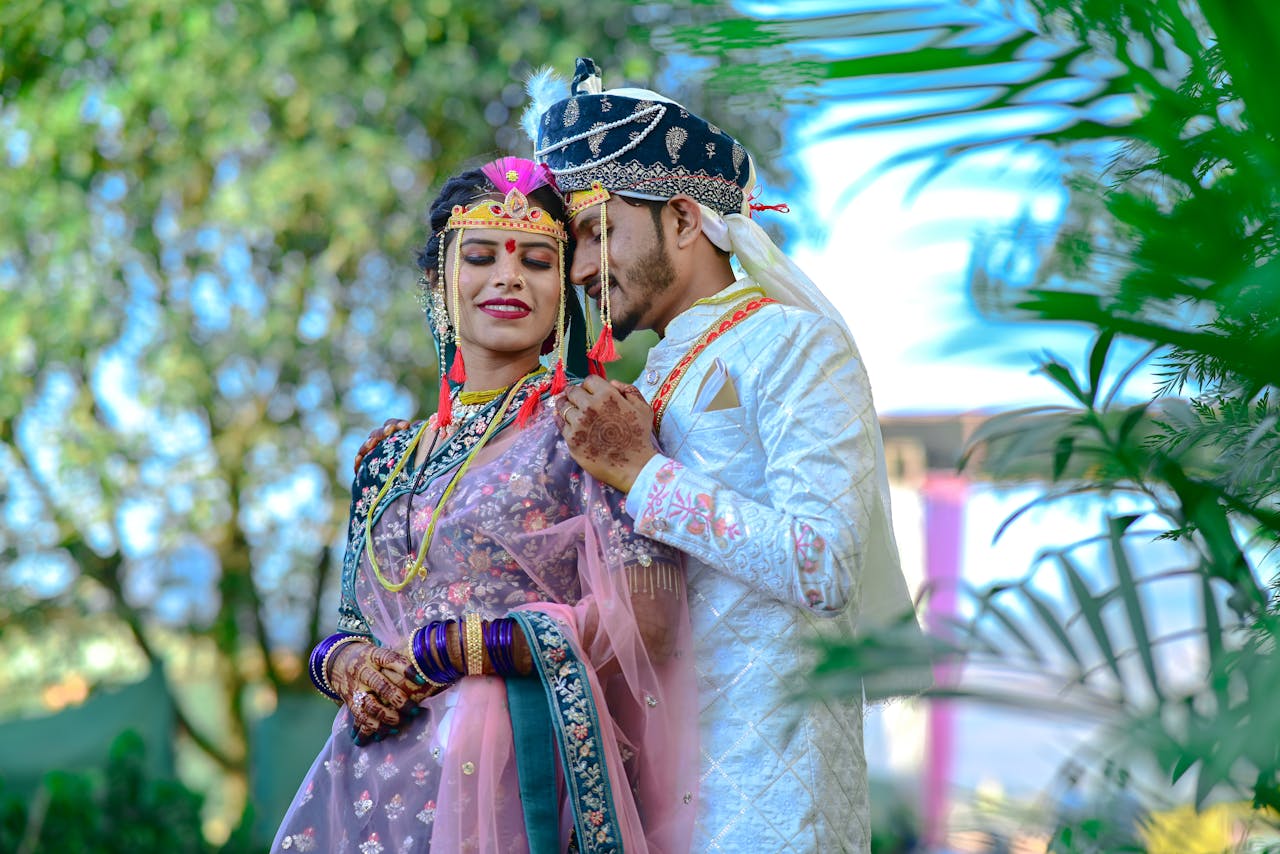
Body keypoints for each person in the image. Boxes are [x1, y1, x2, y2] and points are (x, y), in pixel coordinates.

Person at [530, 59, 922, 852]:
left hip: (774, 811)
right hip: (655, 805)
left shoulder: (794, 344)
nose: (577, 270)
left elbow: (823, 565)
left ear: (682, 219)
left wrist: (643, 474)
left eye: (598, 232)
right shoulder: (658, 377)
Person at [274, 157, 698, 854]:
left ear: (564, 287)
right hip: (379, 776)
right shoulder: (387, 459)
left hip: (514, 771)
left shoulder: (590, 426)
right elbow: (354, 619)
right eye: (480, 256)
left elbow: (645, 620)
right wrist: (348, 665)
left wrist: (459, 649)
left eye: (536, 261)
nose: (508, 278)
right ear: (440, 281)